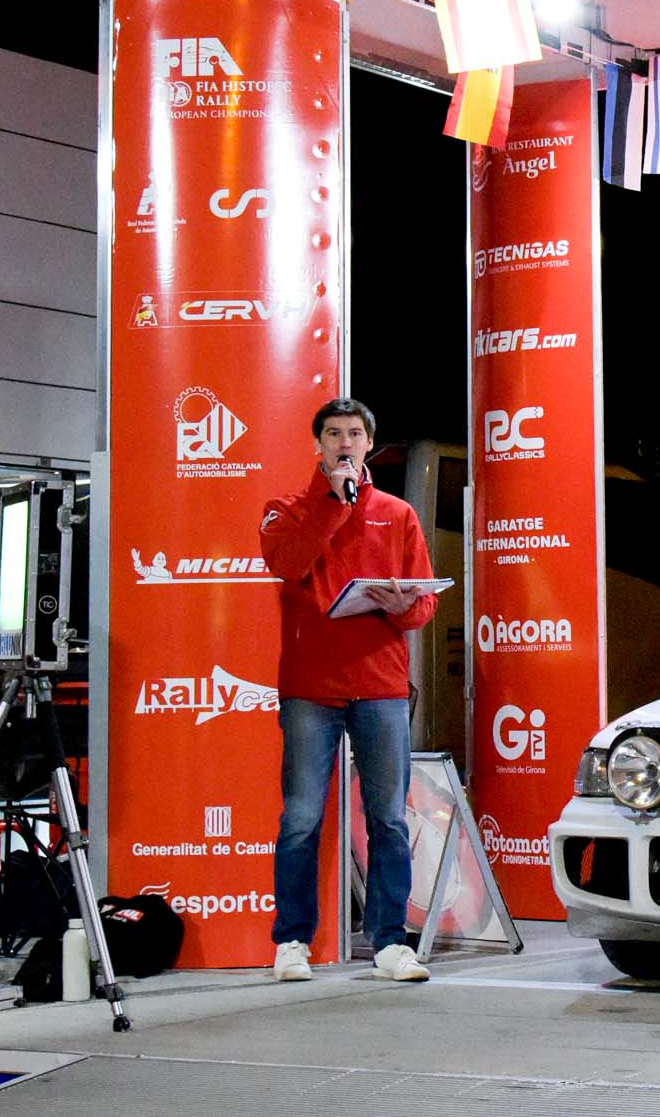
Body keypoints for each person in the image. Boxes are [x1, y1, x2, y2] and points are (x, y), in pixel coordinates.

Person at [258, 398, 439, 982]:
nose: (344, 442)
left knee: (388, 819)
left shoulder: (398, 513)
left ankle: (390, 943)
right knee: (301, 819)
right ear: (318, 445)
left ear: (368, 445)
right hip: (311, 687)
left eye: (354, 433)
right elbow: (288, 565)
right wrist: (335, 506)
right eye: (333, 433)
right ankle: (292, 942)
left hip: (380, 684)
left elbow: (424, 604)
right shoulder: (286, 509)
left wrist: (401, 605)